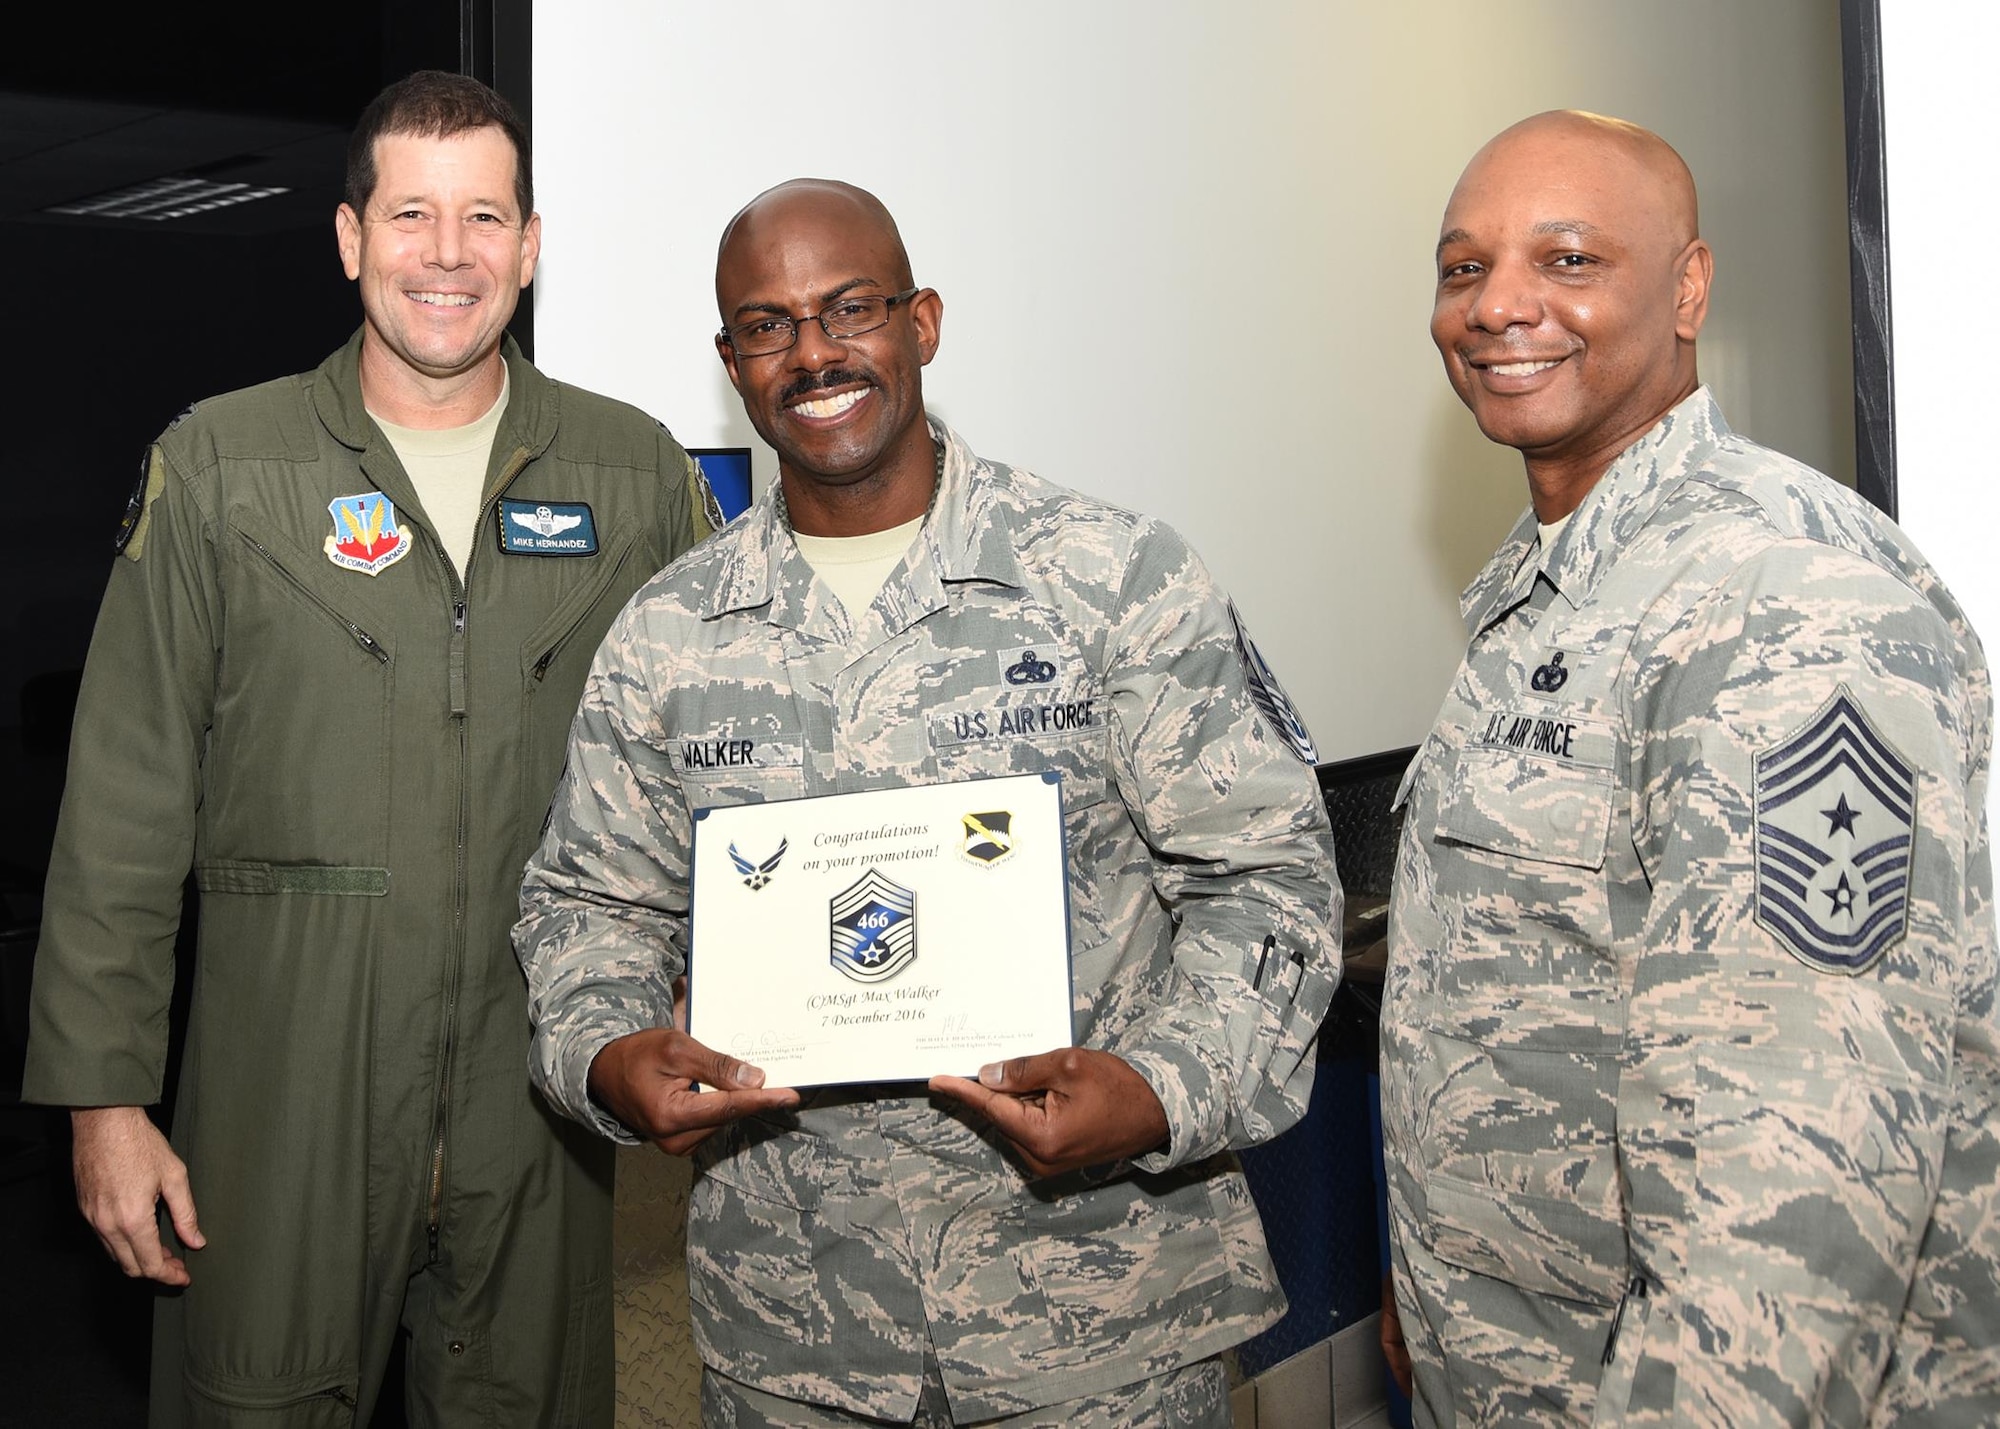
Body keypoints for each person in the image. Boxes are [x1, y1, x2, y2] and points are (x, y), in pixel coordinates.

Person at [515, 178, 1341, 1426]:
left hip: (1099, 1319)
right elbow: (583, 902)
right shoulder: (669, 635)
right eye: (765, 323)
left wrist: (1158, 1084)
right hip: (799, 1336)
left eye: (850, 306)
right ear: (730, 362)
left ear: (923, 323)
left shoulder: (1112, 576)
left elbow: (1270, 880)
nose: (813, 351)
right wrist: (609, 1052)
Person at [23, 71, 716, 1426]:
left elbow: (722, 755)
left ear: (529, 242)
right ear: (350, 240)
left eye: (481, 216)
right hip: (282, 1096)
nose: (445, 255)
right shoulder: (228, 467)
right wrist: (104, 1101)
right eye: (409, 215)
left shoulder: (632, 477)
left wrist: (719, 976)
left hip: (538, 1093)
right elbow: (124, 802)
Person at [1380, 109, 2000, 1425]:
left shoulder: (1786, 613)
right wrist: (1439, 1286)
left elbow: (1793, 1195)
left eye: (1568, 261)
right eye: (1462, 267)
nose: (1499, 307)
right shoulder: (1557, 593)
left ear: (1689, 289)